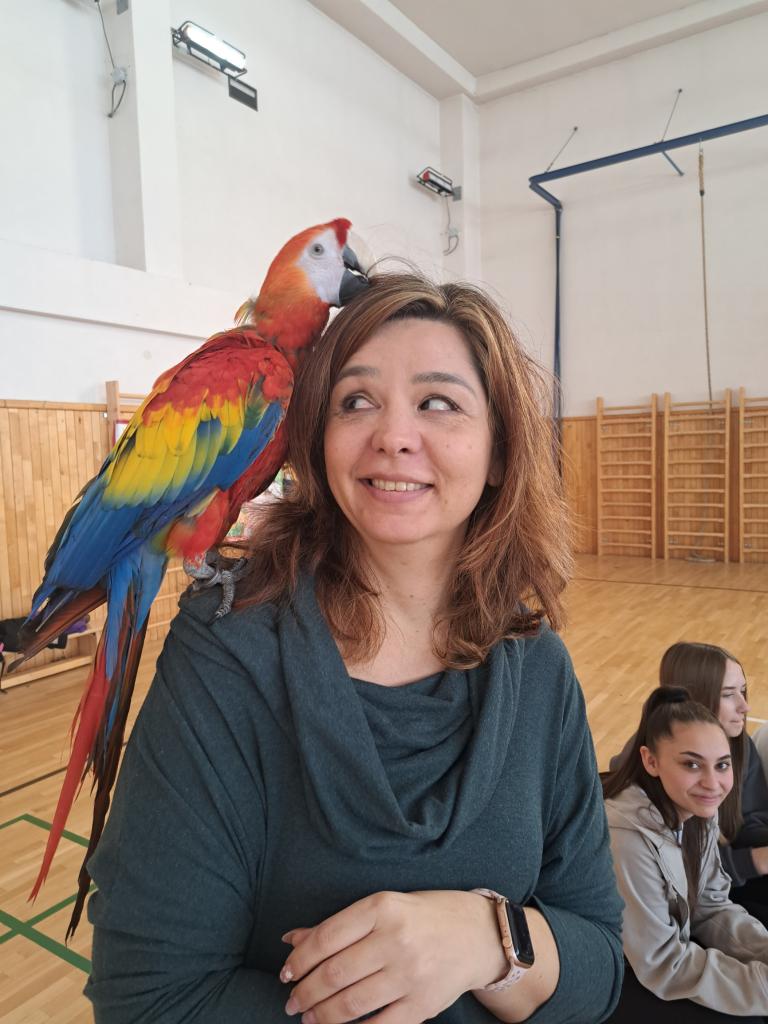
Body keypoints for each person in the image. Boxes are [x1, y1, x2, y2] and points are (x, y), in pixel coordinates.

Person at [84, 272, 624, 1023]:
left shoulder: (539, 667)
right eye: (356, 401)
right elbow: (150, 1003)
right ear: (317, 441)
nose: (393, 435)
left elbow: (598, 965)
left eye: (438, 403)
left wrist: (488, 939)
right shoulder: (227, 656)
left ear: (500, 451)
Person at [603, 687, 768, 1022]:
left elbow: (710, 906)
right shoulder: (626, 838)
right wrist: (760, 986)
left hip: (663, 951)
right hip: (614, 972)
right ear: (650, 761)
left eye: (722, 765)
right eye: (692, 764)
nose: (713, 783)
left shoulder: (699, 810)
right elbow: (661, 962)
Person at [610, 642, 768, 924]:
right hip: (684, 903)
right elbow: (683, 883)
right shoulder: (639, 802)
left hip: (718, 889)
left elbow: (750, 822)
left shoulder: (738, 744)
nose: (745, 706)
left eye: (743, 691)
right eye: (728, 694)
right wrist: (755, 860)